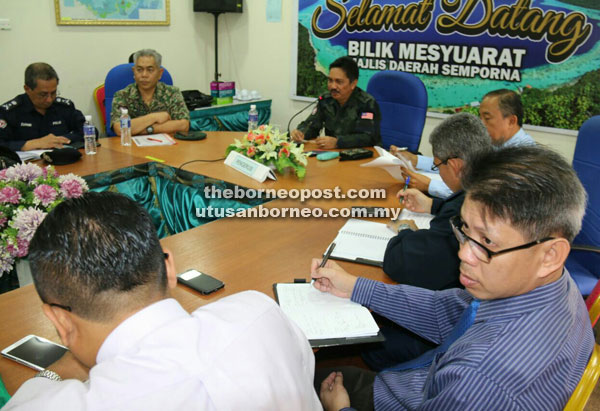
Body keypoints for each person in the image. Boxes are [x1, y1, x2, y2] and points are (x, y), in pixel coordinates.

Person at [312, 145, 593, 410]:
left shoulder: (480, 378)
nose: (464, 254)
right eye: (464, 230)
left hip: (418, 395)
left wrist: (341, 407)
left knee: (296, 380)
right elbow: (444, 310)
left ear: (551, 255)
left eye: (486, 241)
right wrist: (355, 286)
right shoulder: (549, 281)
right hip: (428, 380)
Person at [4, 192, 320, 410]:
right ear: (169, 268)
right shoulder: (260, 309)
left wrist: (57, 371)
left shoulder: (80, 403)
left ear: (59, 319)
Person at [360, 113, 492, 371]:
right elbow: (452, 208)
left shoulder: (466, 213)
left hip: (459, 336)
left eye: (438, 165)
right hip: (479, 316)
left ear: (455, 165)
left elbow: (399, 263)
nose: (438, 171)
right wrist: (433, 204)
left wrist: (405, 232)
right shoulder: (488, 184)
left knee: (369, 342)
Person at [394, 89, 536, 199]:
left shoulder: (522, 158)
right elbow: (458, 166)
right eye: (480, 117)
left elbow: (478, 193)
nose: (481, 124)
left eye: (487, 118)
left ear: (511, 121)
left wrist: (429, 185)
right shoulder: (496, 143)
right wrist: (416, 160)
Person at [290, 56, 381, 149]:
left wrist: (338, 142)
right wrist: (301, 133)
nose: (333, 86)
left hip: (360, 156)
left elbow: (368, 137)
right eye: (330, 80)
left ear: (353, 83)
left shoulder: (366, 103)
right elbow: (312, 124)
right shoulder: (326, 100)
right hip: (332, 153)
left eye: (339, 82)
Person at [0, 63, 85, 151]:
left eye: (53, 93)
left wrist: (59, 140)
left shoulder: (64, 107)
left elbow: (89, 131)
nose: (49, 99)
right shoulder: (10, 112)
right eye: (43, 94)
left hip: (61, 161)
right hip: (27, 164)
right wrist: (29, 144)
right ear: (27, 89)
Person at [111, 49, 190, 137]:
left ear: (160, 73)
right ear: (134, 71)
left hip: (166, 148)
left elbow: (184, 125)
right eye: (139, 70)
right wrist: (153, 117)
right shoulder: (122, 95)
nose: (144, 75)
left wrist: (148, 129)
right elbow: (119, 128)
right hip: (132, 148)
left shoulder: (172, 93)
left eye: (150, 70)